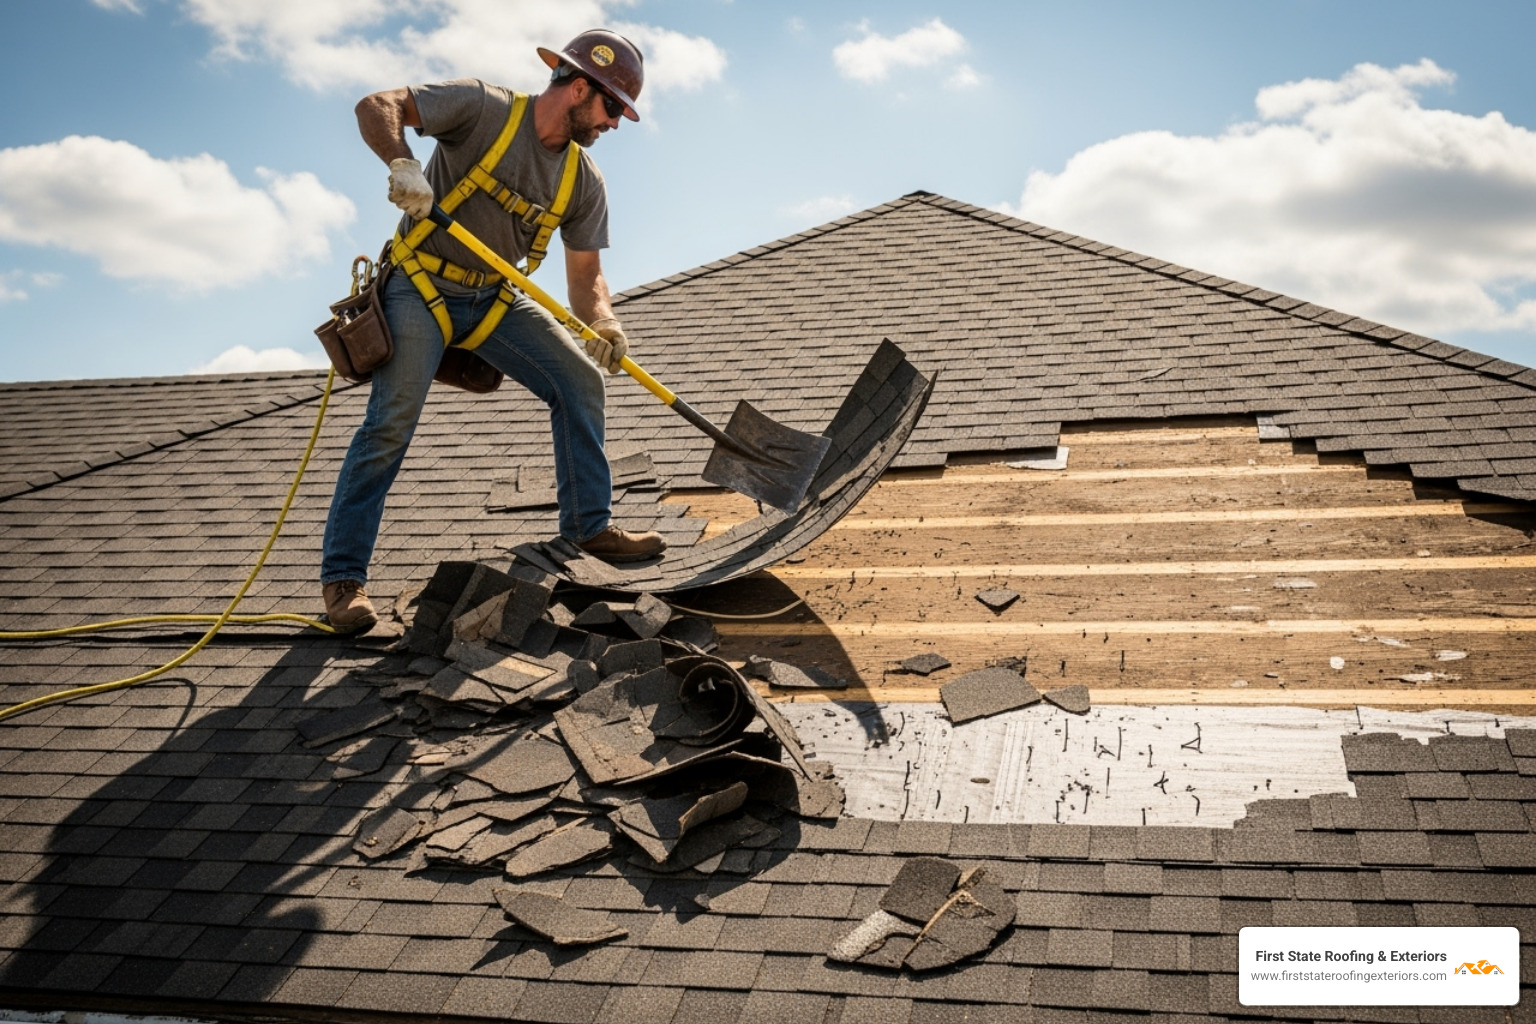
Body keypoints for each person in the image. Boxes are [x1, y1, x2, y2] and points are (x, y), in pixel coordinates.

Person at [321, 30, 666, 634]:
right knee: (392, 419)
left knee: (581, 379)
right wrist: (402, 161)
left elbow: (586, 278)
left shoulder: (582, 182)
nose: (614, 124)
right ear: (579, 86)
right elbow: (375, 105)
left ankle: (590, 525)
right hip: (421, 285)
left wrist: (605, 322)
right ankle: (344, 581)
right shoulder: (483, 108)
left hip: (491, 301)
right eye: (612, 107)